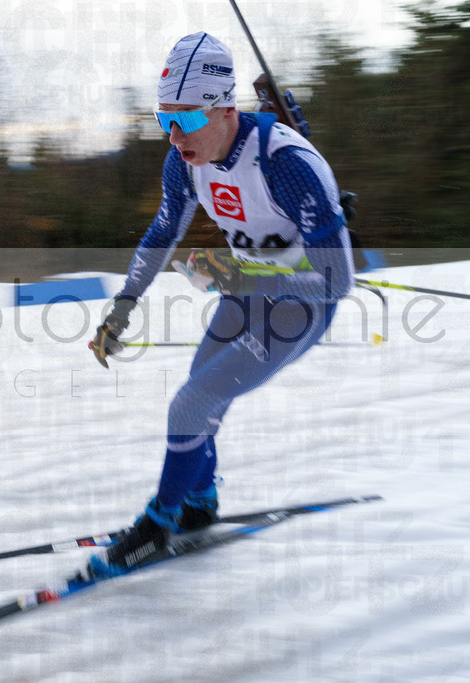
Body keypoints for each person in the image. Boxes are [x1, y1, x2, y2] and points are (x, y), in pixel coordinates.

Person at [88, 32, 355, 577]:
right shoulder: (184, 163)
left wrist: (243, 275)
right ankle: (199, 503)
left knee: (190, 405)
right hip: (249, 291)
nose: (173, 135)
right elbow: (161, 234)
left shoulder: (286, 163)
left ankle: (157, 525)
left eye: (185, 120)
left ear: (224, 110)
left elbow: (338, 281)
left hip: (300, 305)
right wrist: (123, 304)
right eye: (164, 120)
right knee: (197, 395)